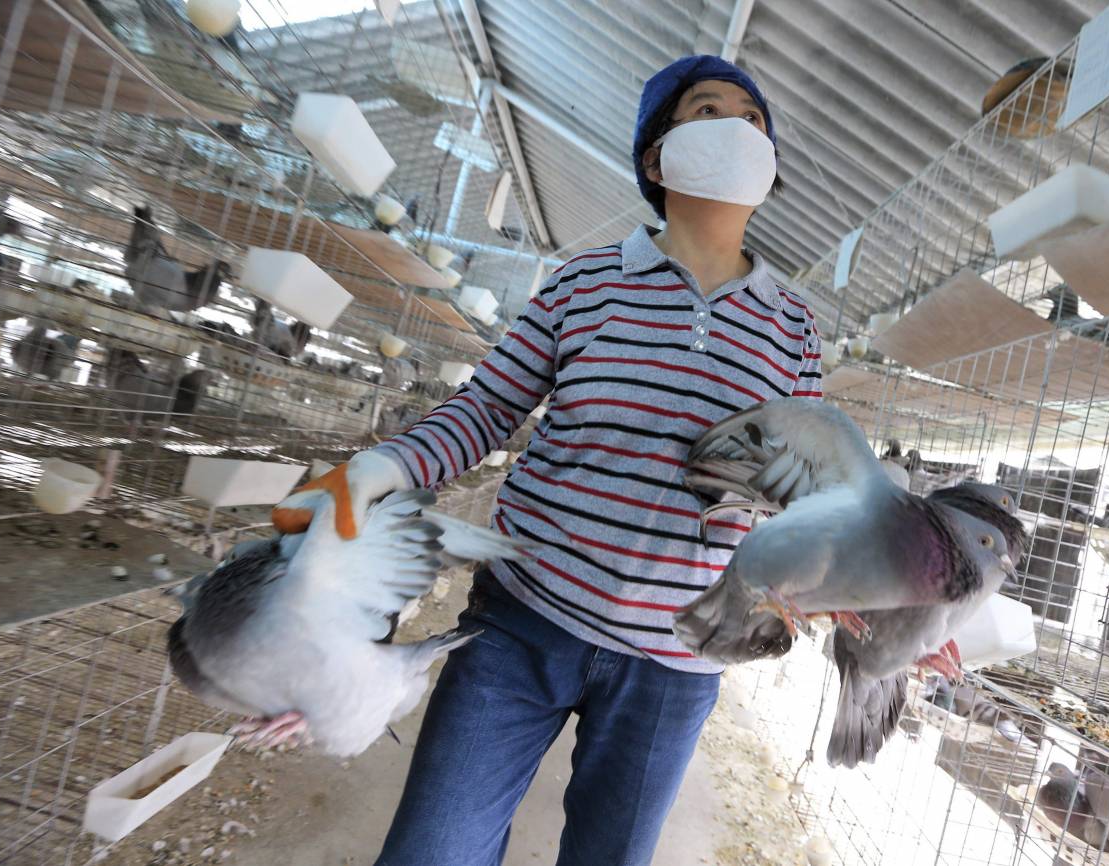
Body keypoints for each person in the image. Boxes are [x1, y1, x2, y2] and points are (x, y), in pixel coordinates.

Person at [271, 54, 823, 866]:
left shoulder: (792, 327)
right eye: (709, 110)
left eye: (752, 119)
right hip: (522, 623)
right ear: (656, 155)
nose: (738, 128)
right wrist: (381, 470)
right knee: (434, 850)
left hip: (676, 664)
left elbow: (805, 486)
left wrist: (857, 575)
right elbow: (489, 407)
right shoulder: (585, 284)